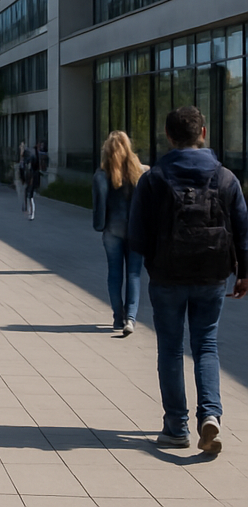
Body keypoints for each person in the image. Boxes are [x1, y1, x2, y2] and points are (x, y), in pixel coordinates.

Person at [128, 106, 248, 454]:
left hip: (167, 275)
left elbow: (137, 235)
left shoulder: (153, 178)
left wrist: (151, 263)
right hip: (212, 274)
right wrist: (243, 273)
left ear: (168, 136)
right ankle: (210, 414)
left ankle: (176, 427)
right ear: (204, 134)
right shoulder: (226, 178)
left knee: (170, 348)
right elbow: (242, 229)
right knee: (206, 344)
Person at [93, 131, 147, 335]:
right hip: (135, 230)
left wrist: (99, 225)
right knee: (133, 274)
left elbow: (98, 205)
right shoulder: (137, 173)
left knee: (114, 274)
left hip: (112, 230)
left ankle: (118, 316)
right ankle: (130, 319)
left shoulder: (102, 174)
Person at [23, 144, 42, 220]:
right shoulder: (36, 159)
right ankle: (30, 211)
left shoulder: (32, 165)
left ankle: (31, 212)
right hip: (34, 179)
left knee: (30, 197)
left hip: (33, 179)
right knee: (30, 196)